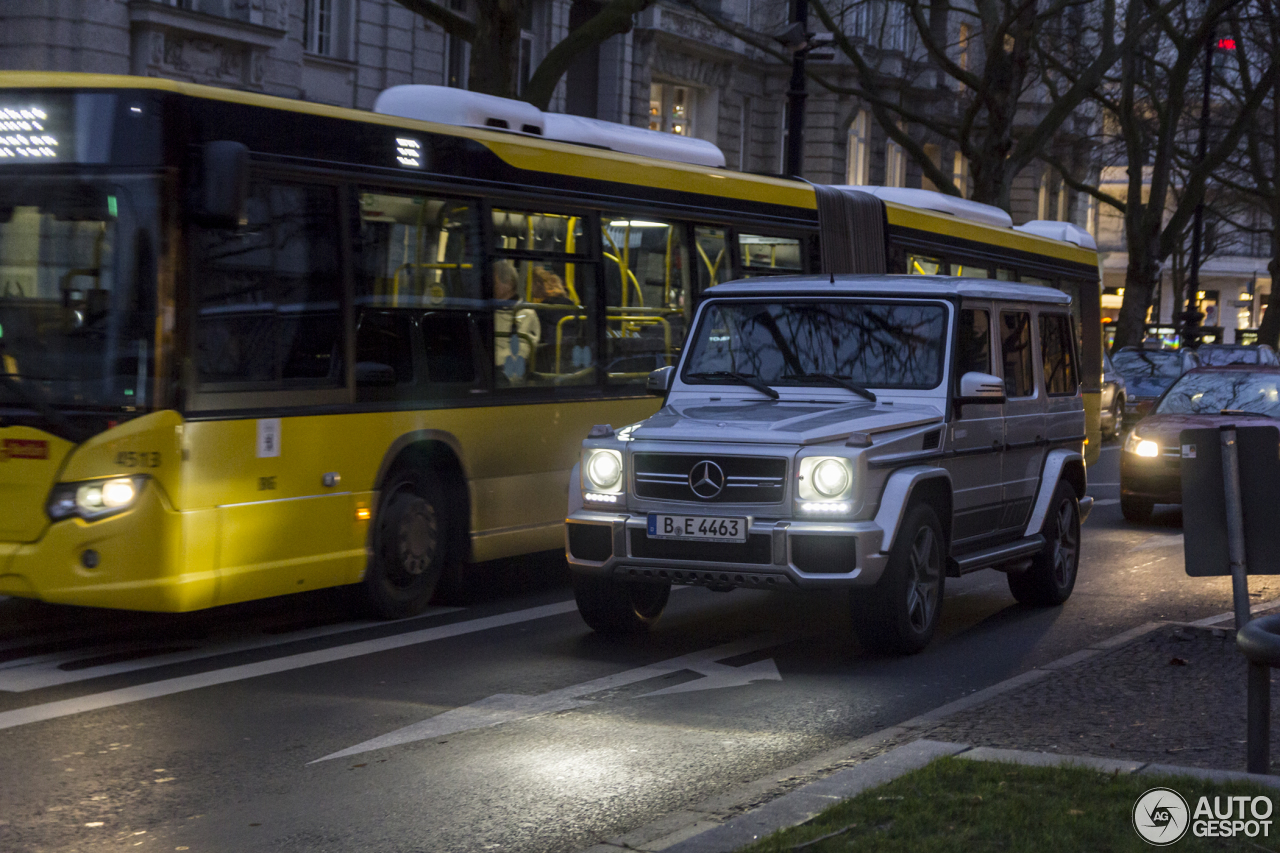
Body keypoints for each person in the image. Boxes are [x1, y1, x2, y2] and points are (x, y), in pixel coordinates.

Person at [492, 260, 539, 378]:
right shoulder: (489, 309)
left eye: (493, 281)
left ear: (508, 283)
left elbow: (519, 352)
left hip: (507, 374)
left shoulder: (526, 313)